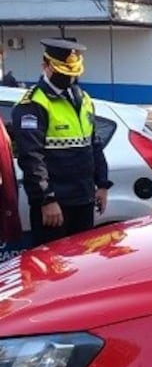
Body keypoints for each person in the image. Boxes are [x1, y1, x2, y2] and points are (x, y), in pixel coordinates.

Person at [10, 38, 111, 245]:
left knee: (83, 263)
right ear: (46, 67)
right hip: (56, 204)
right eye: (63, 72)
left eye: (72, 73)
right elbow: (31, 158)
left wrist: (102, 184)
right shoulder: (33, 104)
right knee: (53, 270)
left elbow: (94, 144)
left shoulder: (83, 99)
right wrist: (46, 199)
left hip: (83, 198)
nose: (68, 78)